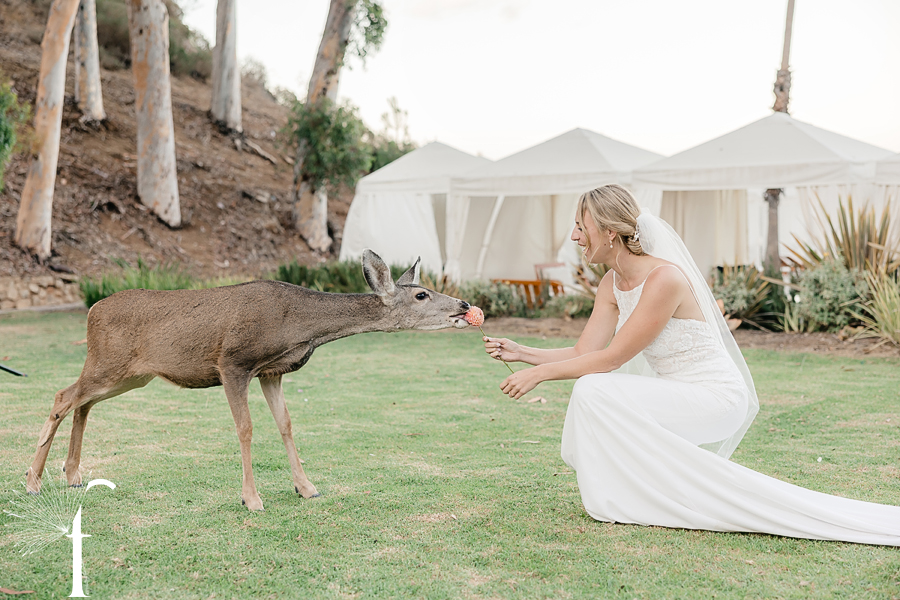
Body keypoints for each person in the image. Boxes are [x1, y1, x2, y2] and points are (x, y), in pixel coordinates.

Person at [483, 184, 900, 545]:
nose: (574, 236)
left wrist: (537, 374)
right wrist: (523, 352)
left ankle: (634, 497)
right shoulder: (610, 283)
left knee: (594, 389)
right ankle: (635, 495)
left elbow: (610, 360)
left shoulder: (665, 279)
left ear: (609, 232)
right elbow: (583, 353)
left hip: (715, 398)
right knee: (593, 390)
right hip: (673, 394)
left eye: (580, 226)